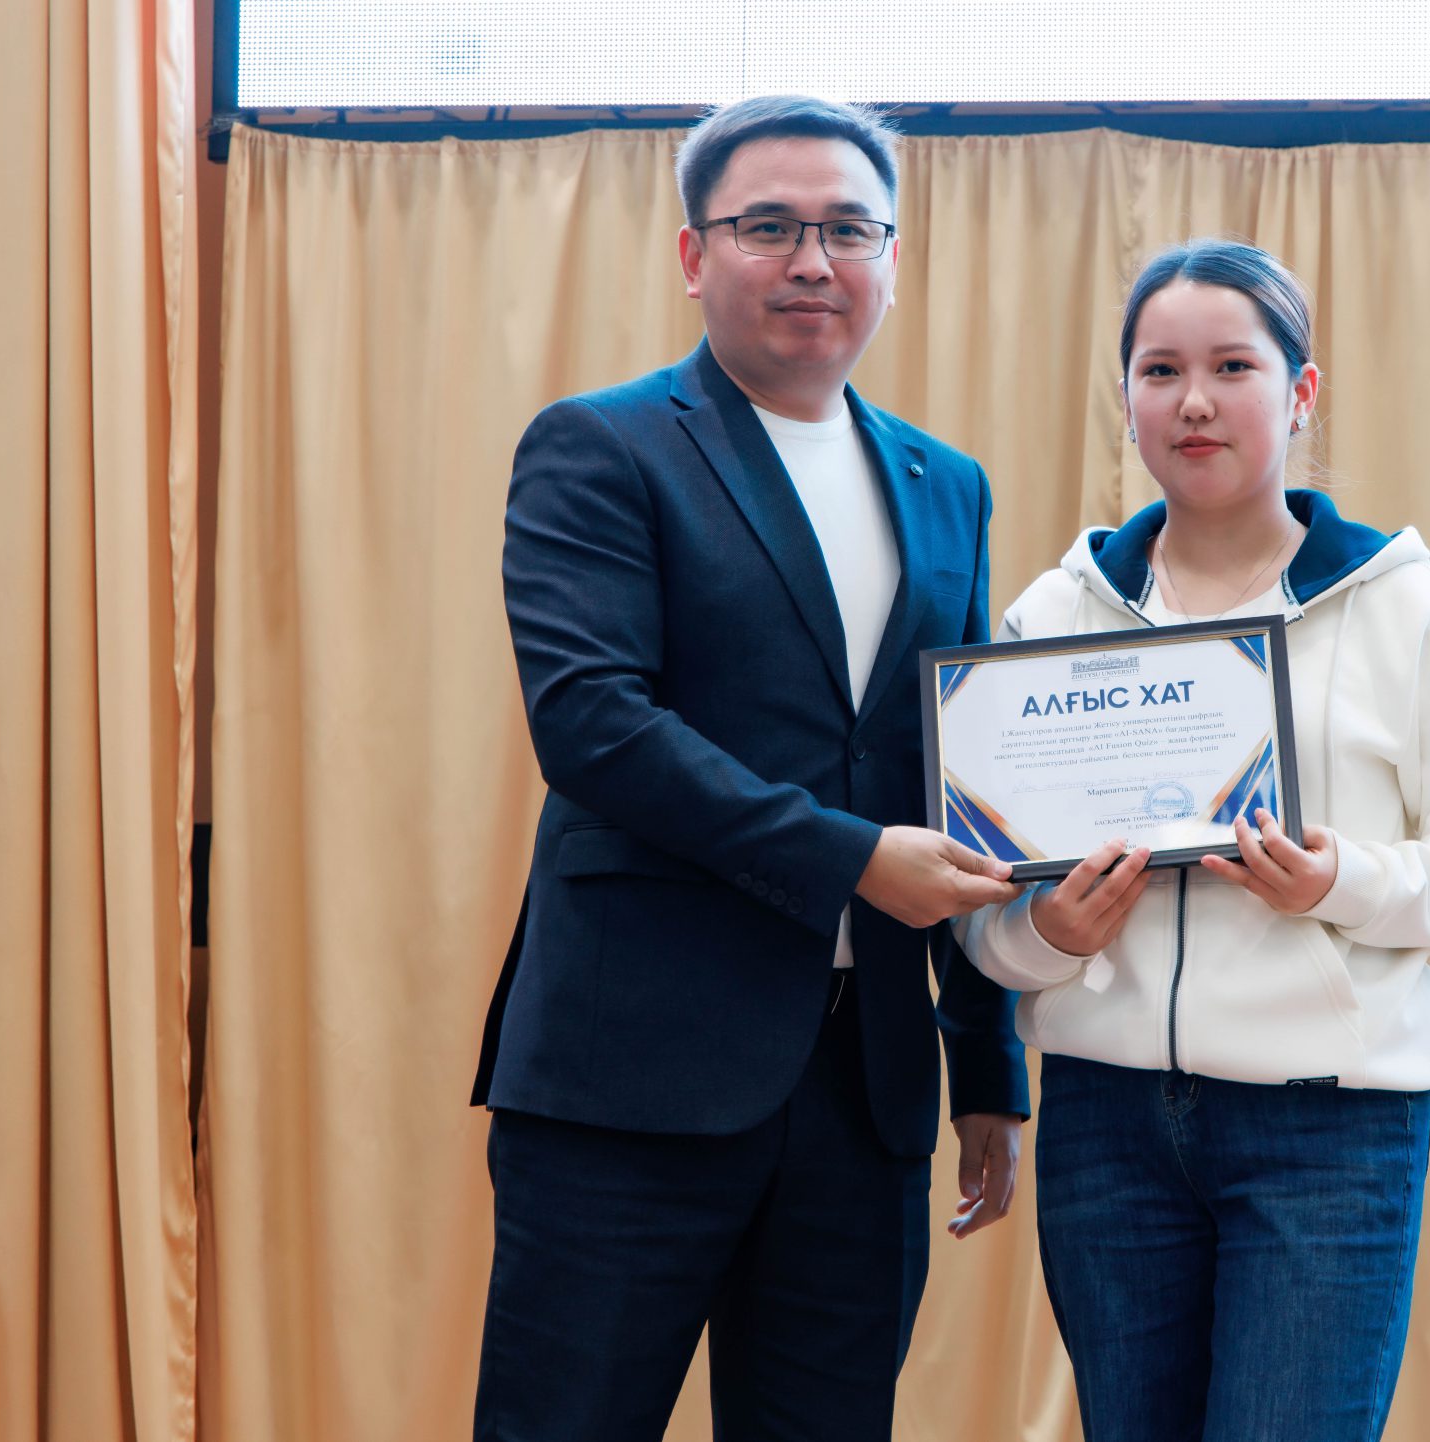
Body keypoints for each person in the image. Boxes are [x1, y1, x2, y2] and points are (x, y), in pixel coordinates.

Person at [470, 95, 1031, 1442]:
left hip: (863, 1086)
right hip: (630, 1077)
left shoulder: (947, 483)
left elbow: (957, 774)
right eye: (767, 226)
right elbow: (594, 725)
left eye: (848, 229)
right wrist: (854, 859)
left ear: (890, 257)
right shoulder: (602, 445)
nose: (811, 261)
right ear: (692, 253)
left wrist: (986, 1064)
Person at [960, 240, 1430, 1440]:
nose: (1193, 400)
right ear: (1125, 396)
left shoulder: (1399, 604)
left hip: (1325, 1128)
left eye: (1232, 365)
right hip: (1104, 1121)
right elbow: (984, 908)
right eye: (1159, 369)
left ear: (1299, 392)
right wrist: (1045, 935)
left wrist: (1340, 881)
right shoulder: (1052, 613)